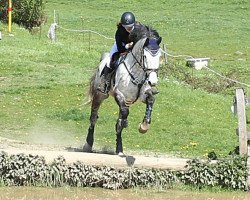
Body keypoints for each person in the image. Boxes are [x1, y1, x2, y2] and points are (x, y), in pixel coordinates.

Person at [98, 11, 138, 94]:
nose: (129, 29)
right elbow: (119, 47)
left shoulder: (138, 28)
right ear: (123, 25)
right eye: (126, 27)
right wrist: (126, 47)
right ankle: (105, 83)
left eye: (130, 26)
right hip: (121, 46)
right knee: (109, 61)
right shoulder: (119, 32)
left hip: (135, 47)